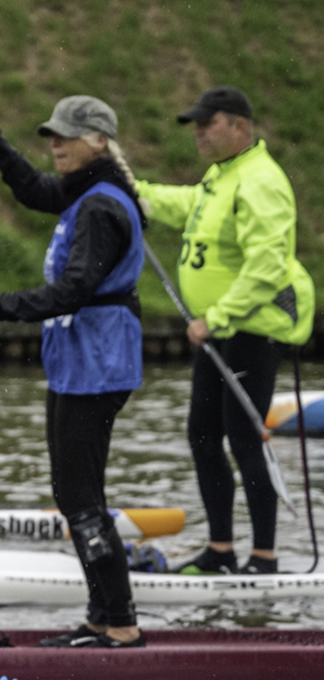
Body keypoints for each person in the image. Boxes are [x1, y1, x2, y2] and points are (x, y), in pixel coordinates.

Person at [0, 96, 145, 648]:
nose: (55, 143)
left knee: (81, 496)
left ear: (100, 141)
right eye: (52, 134)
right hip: (82, 361)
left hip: (99, 363)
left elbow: (74, 290)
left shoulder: (102, 207)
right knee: (72, 492)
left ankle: (120, 623)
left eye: (67, 135)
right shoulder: (87, 191)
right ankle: (103, 617)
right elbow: (33, 190)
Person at [135, 86, 316, 575]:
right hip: (217, 331)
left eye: (206, 123)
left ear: (239, 126)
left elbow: (267, 264)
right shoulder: (223, 176)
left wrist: (216, 317)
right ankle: (220, 550)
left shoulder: (261, 180)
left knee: (242, 437)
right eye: (195, 123)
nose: (197, 132)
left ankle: (264, 557)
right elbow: (188, 204)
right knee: (201, 435)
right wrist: (139, 194)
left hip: (249, 330)